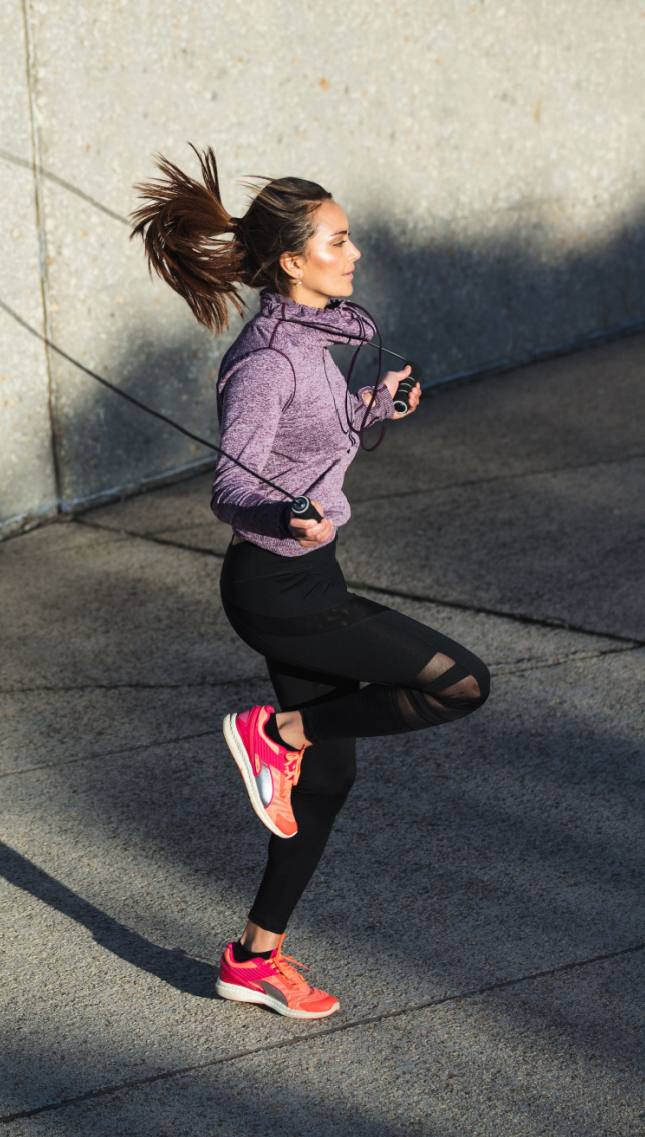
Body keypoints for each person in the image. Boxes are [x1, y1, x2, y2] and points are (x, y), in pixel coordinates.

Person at [131, 150, 489, 1018]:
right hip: (278, 589)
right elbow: (233, 486)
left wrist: (377, 409)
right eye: (338, 240)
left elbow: (321, 439)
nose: (355, 251)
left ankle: (254, 959)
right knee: (461, 682)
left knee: (327, 786)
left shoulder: (332, 334)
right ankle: (276, 730)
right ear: (293, 261)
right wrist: (283, 513)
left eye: (350, 236)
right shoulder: (264, 362)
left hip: (307, 573)